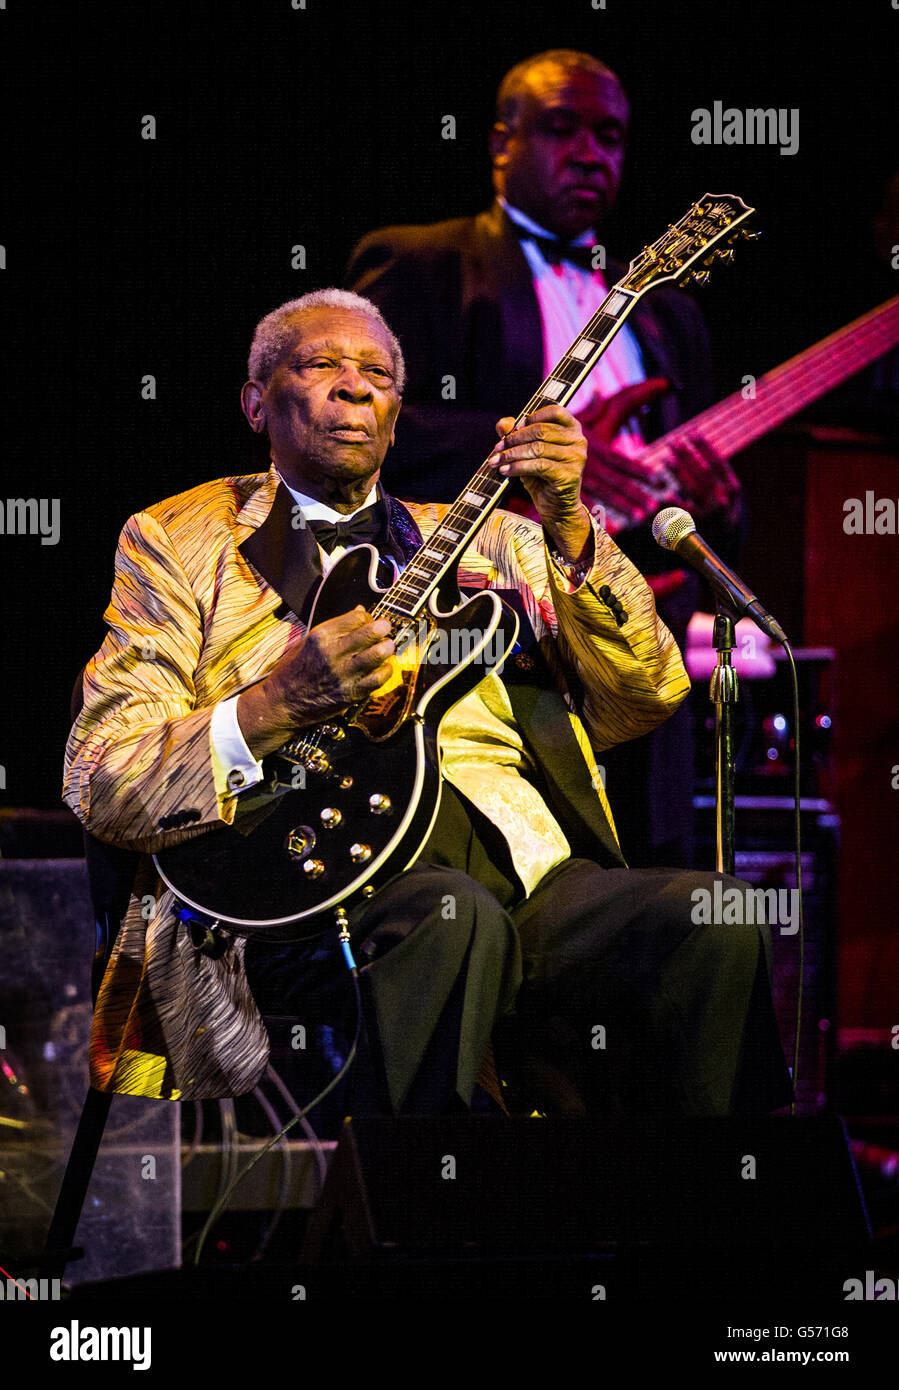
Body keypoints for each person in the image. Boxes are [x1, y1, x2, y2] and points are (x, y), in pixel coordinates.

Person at [63, 289, 791, 1120]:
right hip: (306, 892)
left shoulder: (500, 541)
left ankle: (704, 1218)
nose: (353, 386)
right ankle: (423, 1225)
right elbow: (103, 776)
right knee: (452, 917)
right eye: (320, 365)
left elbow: (648, 694)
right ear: (255, 403)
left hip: (528, 872)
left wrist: (568, 522)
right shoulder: (179, 539)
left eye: (376, 371)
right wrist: (275, 700)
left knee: (716, 917)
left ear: (398, 411)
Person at [347, 48, 744, 867]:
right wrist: (547, 458)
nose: (592, 153)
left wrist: (716, 503)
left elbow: (691, 501)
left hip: (637, 647)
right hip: (487, 647)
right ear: (500, 142)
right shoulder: (418, 262)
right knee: (518, 883)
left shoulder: (667, 312)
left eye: (610, 135)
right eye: (562, 130)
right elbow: (368, 430)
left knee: (652, 886)